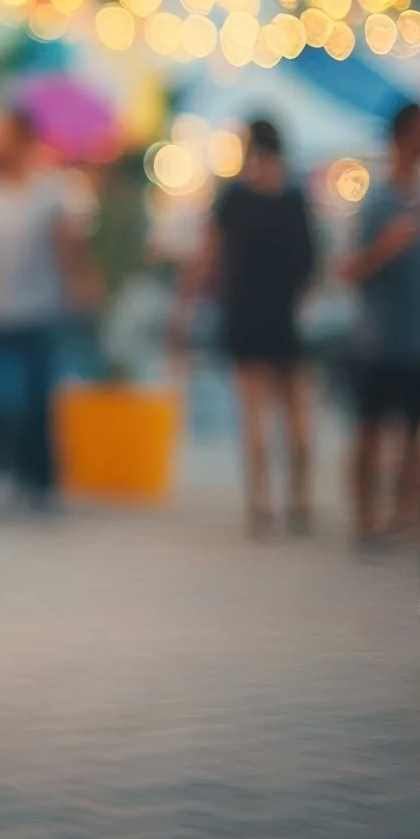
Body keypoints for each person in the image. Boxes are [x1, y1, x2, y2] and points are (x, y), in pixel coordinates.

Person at [180, 118, 317, 537]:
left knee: (253, 413)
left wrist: (185, 305)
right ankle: (299, 499)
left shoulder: (234, 199)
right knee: (296, 412)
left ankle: (260, 505)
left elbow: (207, 257)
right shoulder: (294, 199)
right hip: (284, 315)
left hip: (243, 312)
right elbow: (311, 263)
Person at [0, 107, 94, 508]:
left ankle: (39, 480)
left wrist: (79, 284)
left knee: (38, 399)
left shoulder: (48, 192)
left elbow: (65, 244)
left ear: (21, 140)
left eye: (0, 135)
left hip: (39, 308)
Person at [338, 103, 420, 547]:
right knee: (371, 430)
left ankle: (402, 513)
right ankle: (365, 516)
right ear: (403, 137)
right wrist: (388, 246)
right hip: (378, 338)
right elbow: (350, 269)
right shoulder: (378, 201)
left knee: (415, 433)